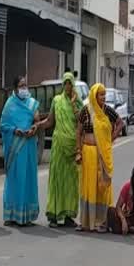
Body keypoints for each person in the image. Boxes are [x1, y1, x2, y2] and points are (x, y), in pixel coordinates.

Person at [36, 72, 82, 228]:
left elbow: (82, 122)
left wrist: (75, 104)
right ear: (63, 85)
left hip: (73, 148)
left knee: (71, 183)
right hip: (59, 146)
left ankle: (69, 215)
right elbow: (50, 121)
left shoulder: (78, 103)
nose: (68, 86)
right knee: (56, 180)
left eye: (70, 83)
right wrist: (37, 126)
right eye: (66, 83)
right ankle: (54, 215)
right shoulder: (57, 100)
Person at [77, 83, 123, 232]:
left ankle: (102, 222)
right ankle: (86, 222)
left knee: (102, 186)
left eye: (104, 94)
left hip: (102, 154)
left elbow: (120, 123)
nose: (103, 97)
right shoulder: (86, 111)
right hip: (88, 153)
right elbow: (78, 132)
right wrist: (78, 151)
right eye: (100, 94)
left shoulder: (107, 111)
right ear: (94, 96)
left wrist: (110, 140)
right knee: (88, 186)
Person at [0, 76, 40, 227]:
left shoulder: (32, 103)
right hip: (15, 148)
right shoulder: (10, 105)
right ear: (15, 88)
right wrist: (14, 130)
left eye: (25, 85)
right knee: (14, 179)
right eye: (21, 86)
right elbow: (3, 125)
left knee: (28, 178)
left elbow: (37, 121)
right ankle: (11, 214)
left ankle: (27, 215)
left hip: (28, 146)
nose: (24, 88)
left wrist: (34, 128)